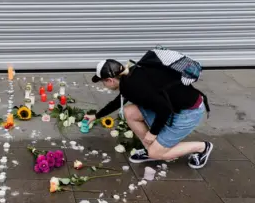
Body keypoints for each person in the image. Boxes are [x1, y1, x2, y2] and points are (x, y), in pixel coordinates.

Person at [84, 59, 213, 169]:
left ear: (110, 80)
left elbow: (165, 110)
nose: (104, 85)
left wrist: (153, 133)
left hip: (188, 113)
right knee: (129, 112)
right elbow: (119, 101)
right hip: (172, 107)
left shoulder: (135, 87)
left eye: (103, 82)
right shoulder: (130, 73)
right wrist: (96, 116)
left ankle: (202, 147)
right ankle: (152, 151)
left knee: (155, 152)